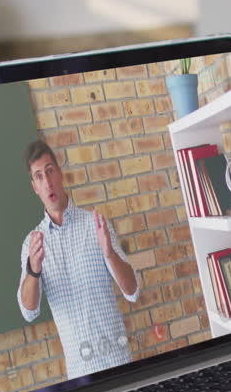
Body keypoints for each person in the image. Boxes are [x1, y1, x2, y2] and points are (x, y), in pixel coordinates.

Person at [17, 140, 140, 377]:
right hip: (80, 375)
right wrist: (33, 270)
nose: (48, 181)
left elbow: (132, 291)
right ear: (35, 187)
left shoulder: (95, 224)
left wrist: (109, 254)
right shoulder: (32, 244)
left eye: (50, 171)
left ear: (60, 173)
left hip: (119, 365)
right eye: (39, 176)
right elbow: (28, 311)